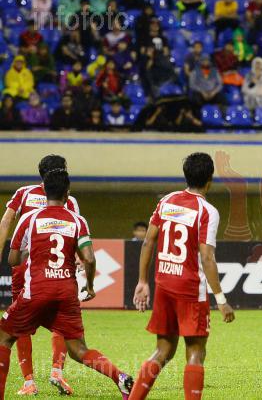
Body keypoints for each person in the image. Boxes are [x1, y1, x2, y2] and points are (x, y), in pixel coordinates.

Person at [0, 169, 134, 399]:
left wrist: (30, 252)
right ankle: (120, 377)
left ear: (44, 191)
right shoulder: (77, 220)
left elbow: (13, 260)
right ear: (67, 194)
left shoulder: (30, 219)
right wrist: (90, 286)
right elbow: (89, 258)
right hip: (66, 292)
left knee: (4, 337)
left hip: (37, 291)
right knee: (78, 349)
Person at [129, 153, 235, 399]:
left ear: (186, 175)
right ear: (210, 180)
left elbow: (148, 242)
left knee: (163, 349)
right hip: (190, 289)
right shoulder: (207, 211)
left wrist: (143, 281)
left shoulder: (167, 201)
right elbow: (207, 258)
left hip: (164, 283)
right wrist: (221, 299)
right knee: (196, 351)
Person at [0, 155, 80, 396]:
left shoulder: (24, 193)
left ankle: (28, 382)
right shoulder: (69, 200)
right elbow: (76, 230)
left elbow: (6, 221)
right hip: (57, 269)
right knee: (61, 318)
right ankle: (57, 372)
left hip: (25, 266)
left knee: (19, 323)